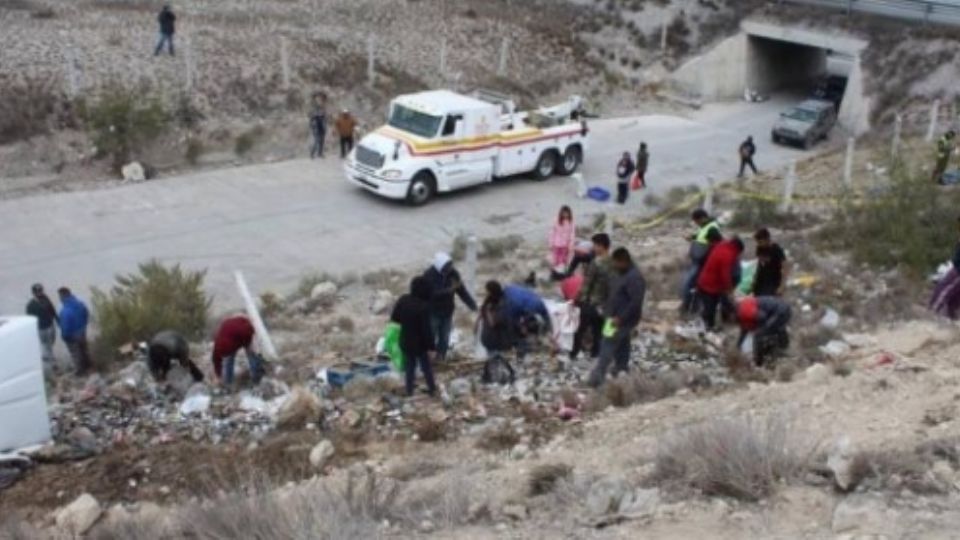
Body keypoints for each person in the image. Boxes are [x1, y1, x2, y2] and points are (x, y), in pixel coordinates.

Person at [588, 247, 646, 387]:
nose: (614, 265)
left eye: (616, 263)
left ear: (624, 261)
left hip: (620, 319)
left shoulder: (634, 278)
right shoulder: (622, 273)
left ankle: (597, 378)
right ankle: (622, 367)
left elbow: (635, 302)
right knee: (623, 341)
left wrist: (620, 318)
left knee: (607, 344)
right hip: (614, 316)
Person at [423, 252, 477, 363]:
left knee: (444, 337)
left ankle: (440, 358)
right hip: (433, 312)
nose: (449, 269)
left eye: (450, 265)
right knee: (430, 337)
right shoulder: (428, 276)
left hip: (447, 311)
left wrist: (473, 305)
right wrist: (450, 290)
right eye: (446, 267)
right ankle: (427, 360)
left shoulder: (453, 274)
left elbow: (462, 291)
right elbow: (432, 294)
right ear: (440, 266)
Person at [391, 277, 438, 396]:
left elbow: (395, 318)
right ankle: (432, 389)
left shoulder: (403, 299)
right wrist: (432, 347)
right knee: (426, 366)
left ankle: (409, 391)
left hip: (405, 340)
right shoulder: (424, 306)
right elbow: (427, 330)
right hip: (420, 344)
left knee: (409, 366)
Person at [571, 233, 612, 361]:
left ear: (601, 246)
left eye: (595, 245)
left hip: (592, 302)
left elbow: (586, 285)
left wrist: (575, 299)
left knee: (580, 329)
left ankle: (573, 354)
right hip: (606, 304)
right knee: (599, 330)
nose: (593, 248)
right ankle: (596, 353)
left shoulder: (596, 263)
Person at [696, 235, 744, 331]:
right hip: (709, 286)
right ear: (737, 249)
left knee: (710, 307)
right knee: (710, 309)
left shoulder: (722, 246)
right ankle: (708, 329)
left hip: (705, 281)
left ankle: (708, 326)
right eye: (739, 253)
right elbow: (725, 275)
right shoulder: (728, 254)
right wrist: (729, 290)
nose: (738, 256)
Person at [680, 209, 721, 315]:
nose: (696, 223)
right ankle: (691, 306)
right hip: (698, 260)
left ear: (702, 218)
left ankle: (690, 307)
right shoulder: (705, 227)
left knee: (689, 284)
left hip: (703, 262)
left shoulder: (712, 228)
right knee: (691, 283)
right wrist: (692, 237)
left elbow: (716, 245)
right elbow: (701, 237)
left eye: (696, 221)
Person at [478, 281, 517, 385]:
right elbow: (482, 314)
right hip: (489, 337)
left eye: (487, 291)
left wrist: (488, 311)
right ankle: (493, 377)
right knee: (494, 358)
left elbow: (493, 323)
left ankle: (498, 378)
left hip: (497, 338)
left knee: (496, 358)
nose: (485, 293)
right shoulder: (489, 302)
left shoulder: (502, 304)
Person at [211, 315, 266, 387]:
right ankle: (228, 383)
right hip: (229, 333)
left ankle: (256, 378)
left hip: (241, 332)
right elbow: (216, 361)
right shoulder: (218, 346)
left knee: (251, 354)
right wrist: (218, 375)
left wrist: (250, 346)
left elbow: (250, 332)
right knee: (229, 360)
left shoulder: (245, 330)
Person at [737, 296, 792, 367]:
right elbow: (743, 332)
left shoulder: (744, 311)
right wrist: (738, 346)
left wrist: (761, 328)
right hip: (783, 309)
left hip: (780, 312)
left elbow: (762, 316)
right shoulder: (742, 312)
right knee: (771, 330)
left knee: (759, 335)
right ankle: (782, 348)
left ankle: (759, 363)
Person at [503, 284, 552, 359]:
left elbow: (515, 318)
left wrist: (522, 325)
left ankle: (523, 348)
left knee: (520, 329)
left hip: (526, 306)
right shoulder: (514, 297)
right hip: (533, 303)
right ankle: (543, 339)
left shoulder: (511, 297)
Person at [930, 216, 960, 320]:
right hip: (956, 269)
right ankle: (951, 322)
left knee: (943, 292)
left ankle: (930, 318)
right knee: (952, 301)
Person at [57, 287, 92, 375]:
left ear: (63, 296)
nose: (59, 299)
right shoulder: (80, 304)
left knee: (75, 353)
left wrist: (64, 336)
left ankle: (80, 371)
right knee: (83, 349)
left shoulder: (65, 311)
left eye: (60, 296)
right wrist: (84, 325)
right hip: (82, 331)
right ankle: (89, 365)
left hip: (72, 335)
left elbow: (65, 326)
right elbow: (86, 313)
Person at [26, 284, 58, 364]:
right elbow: (29, 319)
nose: (39, 293)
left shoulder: (46, 298)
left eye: (40, 291)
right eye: (37, 291)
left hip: (50, 325)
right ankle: (51, 362)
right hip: (41, 328)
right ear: (33, 293)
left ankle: (48, 356)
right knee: (45, 344)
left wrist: (57, 319)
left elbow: (52, 309)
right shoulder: (31, 305)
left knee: (51, 342)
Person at [752, 228, 790, 297]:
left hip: (773, 282)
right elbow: (759, 265)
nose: (759, 244)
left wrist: (782, 286)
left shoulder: (776, 249)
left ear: (767, 239)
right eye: (757, 242)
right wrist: (754, 279)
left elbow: (785, 266)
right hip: (761, 282)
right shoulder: (759, 249)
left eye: (760, 242)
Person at [309, 94, 327, 159]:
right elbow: (311, 121)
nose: (319, 102)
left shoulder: (323, 110)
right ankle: (312, 154)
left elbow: (325, 119)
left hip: (322, 128)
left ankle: (320, 153)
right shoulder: (314, 111)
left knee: (322, 142)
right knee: (316, 142)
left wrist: (325, 127)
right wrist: (312, 127)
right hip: (316, 129)